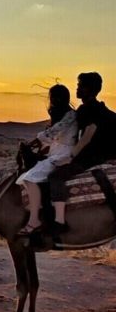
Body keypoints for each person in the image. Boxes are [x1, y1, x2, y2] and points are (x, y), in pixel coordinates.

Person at [48, 72, 116, 233]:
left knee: (55, 177)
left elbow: (87, 136)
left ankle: (59, 222)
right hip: (96, 155)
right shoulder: (96, 109)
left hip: (92, 157)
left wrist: (70, 158)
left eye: (80, 86)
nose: (77, 89)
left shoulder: (89, 110)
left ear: (89, 89)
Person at [16, 84, 77, 235]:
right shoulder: (65, 115)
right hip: (57, 151)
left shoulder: (70, 116)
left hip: (63, 153)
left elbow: (52, 133)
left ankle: (34, 220)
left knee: (30, 179)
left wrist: (35, 140)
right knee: (28, 177)